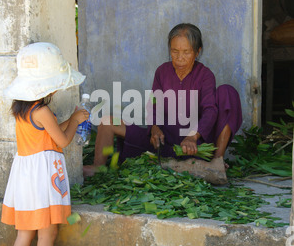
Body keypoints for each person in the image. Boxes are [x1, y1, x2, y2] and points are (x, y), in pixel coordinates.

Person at [83, 23, 242, 177]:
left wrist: (193, 137)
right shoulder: (162, 71)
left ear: (197, 52)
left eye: (186, 52)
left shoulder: (205, 75)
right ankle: (99, 167)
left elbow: (210, 111)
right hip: (162, 144)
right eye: (174, 51)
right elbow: (153, 103)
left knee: (228, 92)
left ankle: (216, 163)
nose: (180, 58)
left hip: (193, 148)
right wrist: (154, 127)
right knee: (107, 121)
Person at [1, 42, 91, 246]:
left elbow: (48, 135)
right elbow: (61, 140)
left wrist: (72, 119)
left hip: (24, 178)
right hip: (43, 178)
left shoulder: (23, 110)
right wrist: (75, 120)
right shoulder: (42, 111)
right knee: (47, 234)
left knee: (24, 236)